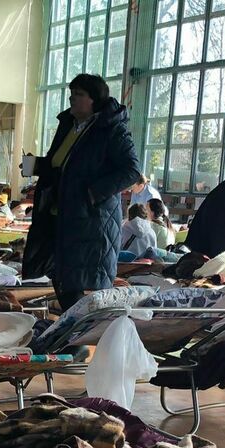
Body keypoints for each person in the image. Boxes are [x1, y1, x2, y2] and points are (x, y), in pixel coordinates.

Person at [21, 73, 141, 309]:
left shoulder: (111, 129)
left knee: (77, 289)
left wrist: (92, 194)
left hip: (90, 223)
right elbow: (62, 166)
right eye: (71, 93)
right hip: (62, 219)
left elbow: (131, 170)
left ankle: (80, 333)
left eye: (79, 94)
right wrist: (36, 165)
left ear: (94, 100)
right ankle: (71, 331)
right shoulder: (69, 126)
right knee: (63, 281)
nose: (72, 98)